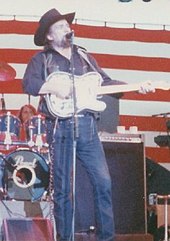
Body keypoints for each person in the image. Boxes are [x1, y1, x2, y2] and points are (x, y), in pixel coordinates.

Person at [22, 8, 154, 241]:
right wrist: (54, 87)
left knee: (103, 182)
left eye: (67, 25)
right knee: (64, 191)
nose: (68, 28)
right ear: (49, 36)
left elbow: (106, 82)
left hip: (88, 129)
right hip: (60, 128)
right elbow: (29, 84)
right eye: (61, 26)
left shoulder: (83, 56)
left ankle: (106, 237)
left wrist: (136, 85)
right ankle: (65, 238)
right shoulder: (41, 60)